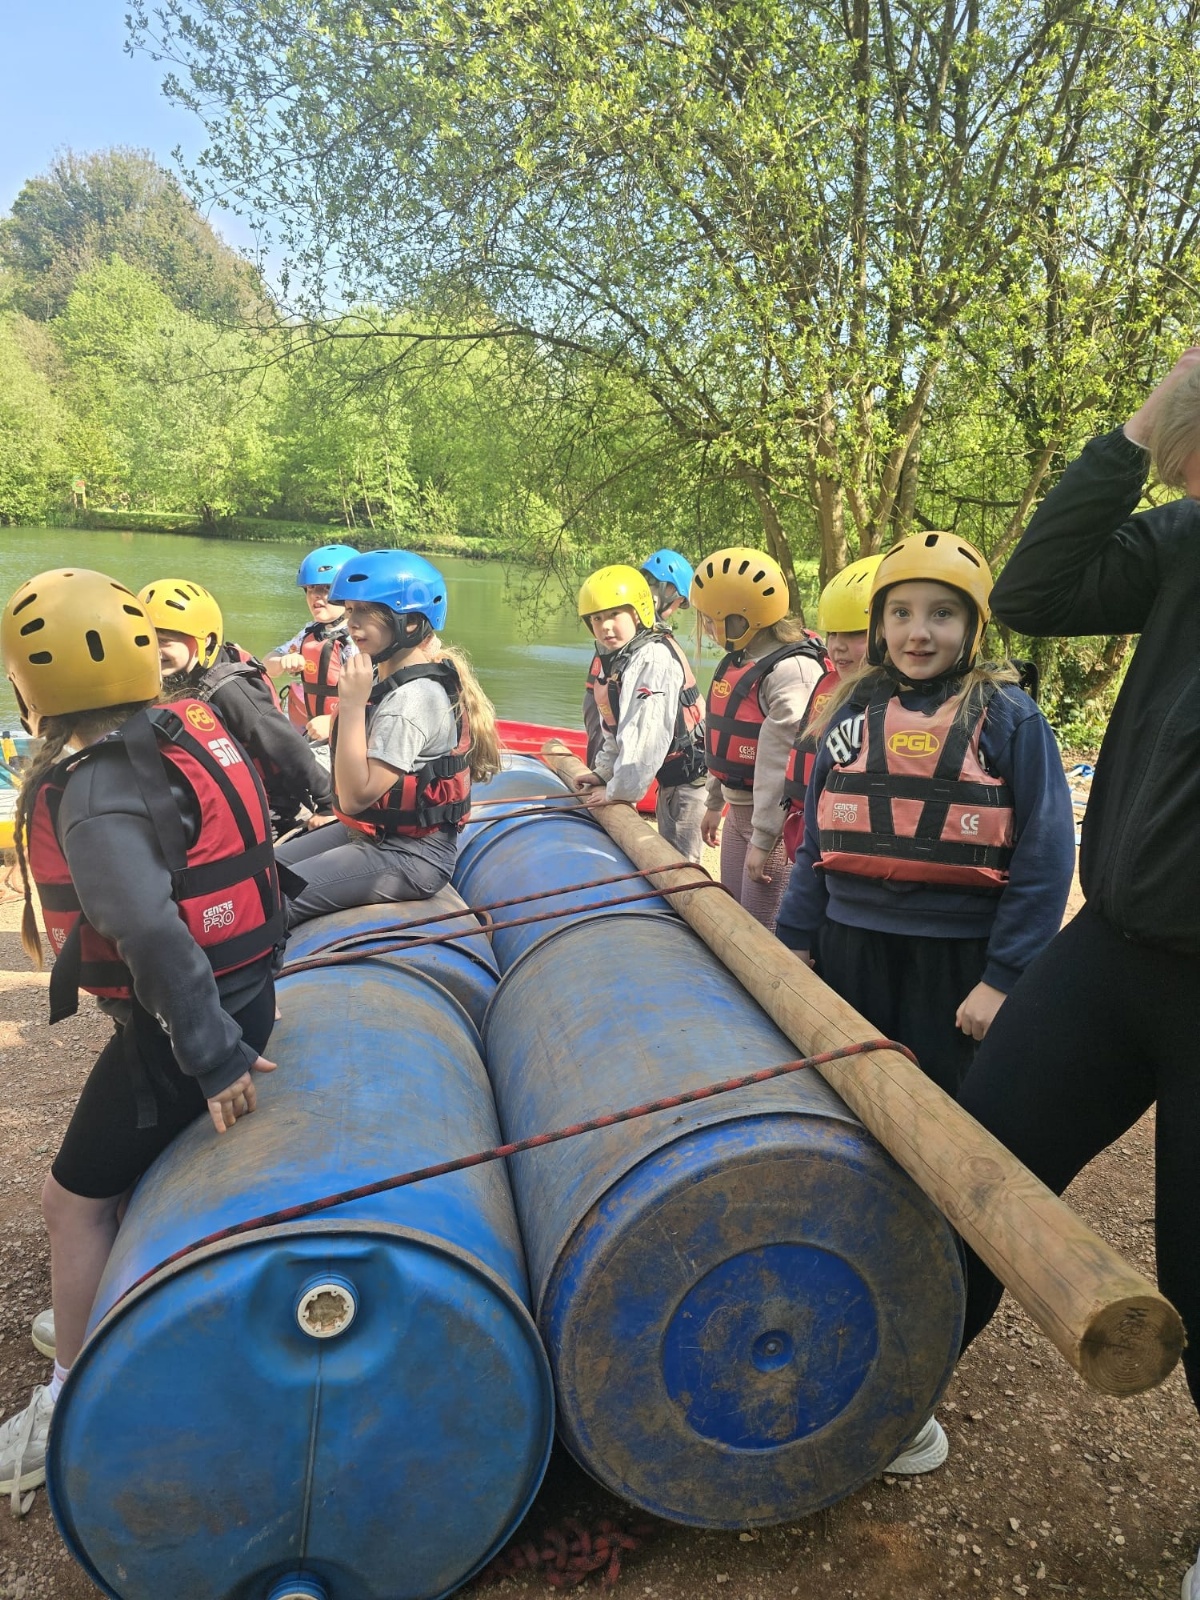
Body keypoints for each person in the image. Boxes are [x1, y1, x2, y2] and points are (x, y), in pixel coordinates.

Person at [944, 353, 1200, 1596]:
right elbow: (1038, 591)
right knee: (975, 1175)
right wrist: (1147, 426)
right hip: (1115, 952)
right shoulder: (1189, 540)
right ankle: (885, 1394)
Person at [0, 569, 282, 1510]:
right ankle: (98, 1308)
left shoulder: (93, 788)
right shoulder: (179, 727)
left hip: (192, 1022)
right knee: (104, 1181)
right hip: (236, 992)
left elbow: (150, 932)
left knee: (70, 1201)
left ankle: (70, 1405)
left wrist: (213, 1054)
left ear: (30, 687)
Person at [775, 531, 1074, 1097]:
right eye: (901, 613)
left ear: (973, 627)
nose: (918, 632)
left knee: (940, 1103)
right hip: (849, 943)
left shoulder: (1009, 717)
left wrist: (1003, 978)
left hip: (957, 960)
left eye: (942, 613)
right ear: (879, 626)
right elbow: (816, 838)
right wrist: (794, 936)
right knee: (843, 1093)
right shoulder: (851, 712)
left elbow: (1046, 857)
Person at [276, 550, 501, 923]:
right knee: (263, 873)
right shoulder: (393, 680)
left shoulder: (412, 700)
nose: (352, 622)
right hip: (376, 834)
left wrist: (351, 705)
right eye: (350, 610)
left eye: (366, 611)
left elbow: (354, 799)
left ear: (409, 623)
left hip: (411, 855)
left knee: (270, 902)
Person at [689, 547, 831, 928]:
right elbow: (722, 739)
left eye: (710, 620)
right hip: (739, 813)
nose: (706, 629)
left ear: (737, 618)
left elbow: (779, 762)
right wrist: (713, 802)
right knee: (731, 916)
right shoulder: (742, 658)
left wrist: (765, 838)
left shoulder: (792, 671)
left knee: (757, 929)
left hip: (772, 823)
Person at [138, 578, 335, 835]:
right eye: (147, 639)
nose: (154, 650)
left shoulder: (229, 689)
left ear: (206, 641)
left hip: (268, 810)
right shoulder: (184, 673)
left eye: (165, 641)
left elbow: (285, 744)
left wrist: (327, 803)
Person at [572, 565, 707, 861]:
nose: (605, 627)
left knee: (678, 866)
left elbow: (645, 743)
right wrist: (603, 772)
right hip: (669, 776)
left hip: (689, 778)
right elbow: (615, 730)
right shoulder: (619, 657)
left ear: (638, 613)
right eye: (597, 618)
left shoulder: (652, 660)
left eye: (614, 615)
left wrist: (615, 793)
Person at [781, 553, 884, 861]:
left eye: (854, 633)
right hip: (813, 847)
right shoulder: (831, 690)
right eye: (833, 633)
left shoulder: (901, 711)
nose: (837, 645)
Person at [583, 548, 695, 765]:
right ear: (667, 592)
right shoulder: (646, 640)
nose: (674, 610)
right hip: (606, 710)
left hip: (601, 705)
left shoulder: (633, 630)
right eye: (677, 603)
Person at [264, 543, 358, 764]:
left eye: (325, 588)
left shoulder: (356, 638)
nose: (315, 596)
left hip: (348, 734)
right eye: (310, 589)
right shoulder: (310, 632)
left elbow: (372, 695)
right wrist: (283, 661)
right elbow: (267, 666)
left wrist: (333, 721)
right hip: (317, 730)